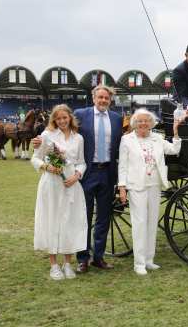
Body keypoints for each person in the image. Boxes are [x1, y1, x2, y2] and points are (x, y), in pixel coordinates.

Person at [32, 85, 123, 273]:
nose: (103, 100)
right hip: (87, 174)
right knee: (83, 216)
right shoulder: (82, 114)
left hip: (107, 172)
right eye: (100, 97)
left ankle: (99, 257)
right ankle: (83, 259)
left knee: (104, 218)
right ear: (94, 97)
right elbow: (58, 127)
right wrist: (40, 142)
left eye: (106, 98)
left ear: (110, 99)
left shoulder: (116, 118)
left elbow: (119, 144)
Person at [117, 108, 182, 275]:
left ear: (151, 123)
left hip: (154, 185)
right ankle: (139, 263)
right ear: (134, 123)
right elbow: (122, 165)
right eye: (140, 121)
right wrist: (122, 187)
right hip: (136, 185)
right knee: (139, 224)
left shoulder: (157, 139)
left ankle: (149, 259)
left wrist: (175, 131)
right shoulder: (127, 140)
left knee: (152, 222)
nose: (143, 123)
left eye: (146, 121)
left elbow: (174, 150)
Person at [31, 104, 87, 280]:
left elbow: (81, 162)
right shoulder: (47, 136)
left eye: (65, 117)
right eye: (58, 118)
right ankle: (54, 265)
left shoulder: (79, 138)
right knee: (52, 220)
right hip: (52, 185)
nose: (62, 121)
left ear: (70, 117)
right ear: (54, 120)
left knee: (70, 222)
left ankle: (68, 263)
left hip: (71, 185)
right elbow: (35, 158)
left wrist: (77, 175)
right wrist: (48, 167)